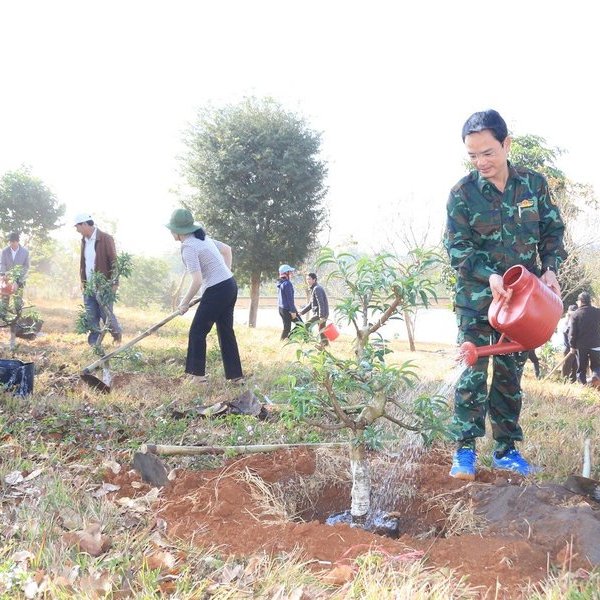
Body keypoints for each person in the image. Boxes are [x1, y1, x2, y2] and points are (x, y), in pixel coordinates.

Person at [444, 109, 566, 480]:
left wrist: (550, 268)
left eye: (488, 153)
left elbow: (552, 230)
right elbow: (457, 249)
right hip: (478, 302)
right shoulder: (462, 194)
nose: (481, 162)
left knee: (510, 376)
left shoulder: (533, 185)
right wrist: (490, 275)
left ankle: (506, 450)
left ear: (506, 144)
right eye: (473, 155)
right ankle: (464, 449)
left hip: (524, 306)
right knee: (472, 374)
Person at [166, 208, 243, 384]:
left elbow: (197, 280)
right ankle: (236, 377)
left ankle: (198, 377)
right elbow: (227, 250)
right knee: (226, 331)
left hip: (217, 290)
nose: (171, 232)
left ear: (178, 231)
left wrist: (184, 303)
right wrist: (225, 273)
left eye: (172, 229)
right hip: (229, 285)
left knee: (197, 331)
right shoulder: (202, 238)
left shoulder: (188, 247)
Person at [74, 213, 123, 346]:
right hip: (88, 286)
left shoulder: (105, 238)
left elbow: (114, 261)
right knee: (91, 315)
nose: (77, 230)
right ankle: (94, 344)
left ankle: (117, 335)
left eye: (77, 227)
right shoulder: (84, 240)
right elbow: (84, 262)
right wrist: (83, 281)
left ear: (84, 224)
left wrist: (114, 283)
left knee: (106, 314)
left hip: (104, 285)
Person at [568, 292, 600, 385]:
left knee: (581, 368)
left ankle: (583, 385)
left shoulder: (575, 314)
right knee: (597, 365)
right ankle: (596, 376)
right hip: (596, 344)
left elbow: (572, 333)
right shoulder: (597, 312)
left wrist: (572, 346)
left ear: (581, 301)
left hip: (581, 345)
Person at [0, 232, 30, 314]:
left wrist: (17, 278)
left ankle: (17, 317)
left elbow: (26, 266)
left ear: (18, 241)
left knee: (18, 299)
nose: (11, 244)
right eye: (10, 242)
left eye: (13, 242)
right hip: (7, 278)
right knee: (5, 298)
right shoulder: (4, 251)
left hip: (19, 279)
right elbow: (2, 264)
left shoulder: (25, 252)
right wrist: (4, 274)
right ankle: (3, 316)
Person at [300, 272, 330, 344]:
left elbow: (321, 303)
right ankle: (325, 344)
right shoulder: (314, 288)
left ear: (314, 280)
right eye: (307, 279)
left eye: (309, 279)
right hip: (321, 313)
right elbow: (311, 304)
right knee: (322, 330)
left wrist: (321, 316)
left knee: (306, 326)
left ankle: (306, 341)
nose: (308, 281)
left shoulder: (317, 289)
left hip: (319, 314)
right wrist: (302, 312)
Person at [277, 264, 300, 340]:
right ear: (286, 273)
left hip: (281, 309)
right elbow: (290, 299)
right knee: (300, 325)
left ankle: (286, 340)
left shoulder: (281, 283)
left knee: (287, 327)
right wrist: (293, 311)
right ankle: (287, 340)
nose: (291, 273)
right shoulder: (287, 284)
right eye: (290, 272)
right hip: (287, 309)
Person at [561, 304, 578, 382]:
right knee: (567, 366)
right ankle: (564, 381)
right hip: (568, 347)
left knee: (575, 366)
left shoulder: (577, 321)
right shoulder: (565, 321)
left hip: (576, 347)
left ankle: (572, 381)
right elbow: (565, 332)